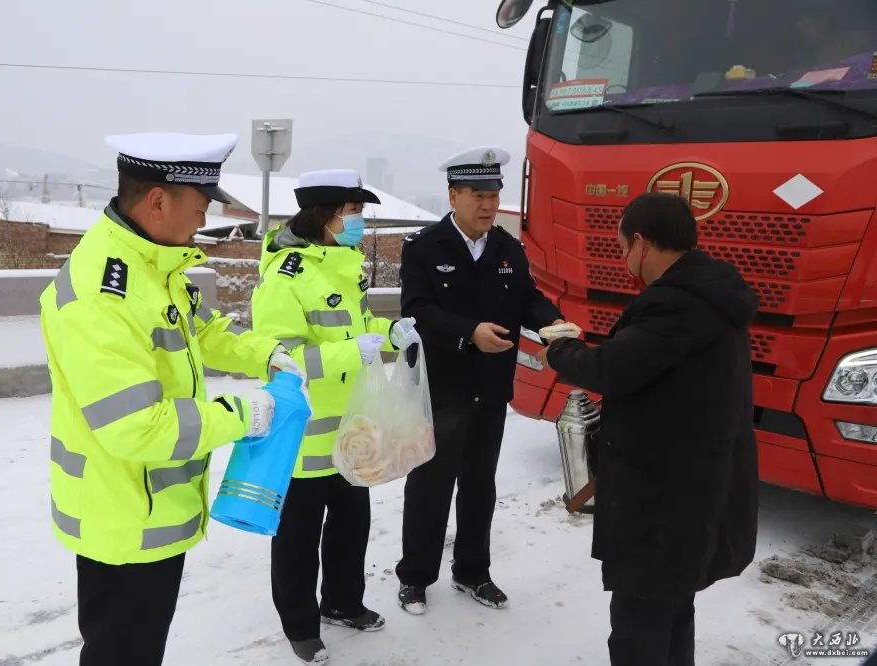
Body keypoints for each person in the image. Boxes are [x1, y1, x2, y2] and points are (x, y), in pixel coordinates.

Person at [39, 131, 303, 666]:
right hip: (123, 515)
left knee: (138, 649)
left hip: (151, 509)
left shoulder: (154, 267)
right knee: (122, 653)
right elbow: (138, 426)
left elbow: (204, 333)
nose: (203, 222)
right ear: (158, 201)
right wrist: (243, 414)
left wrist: (266, 354)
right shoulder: (102, 293)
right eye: (200, 207)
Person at [543, 192, 760, 666]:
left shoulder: (677, 305)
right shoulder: (712, 293)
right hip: (693, 485)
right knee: (675, 608)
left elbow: (615, 370)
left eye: (623, 248)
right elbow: (646, 363)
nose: (625, 260)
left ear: (641, 242)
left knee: (639, 625)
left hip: (663, 497)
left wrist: (560, 351)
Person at [251, 168, 422, 665]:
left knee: (352, 527)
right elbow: (279, 357)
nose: (359, 223)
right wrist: (354, 351)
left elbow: (356, 323)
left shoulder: (343, 264)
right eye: (353, 213)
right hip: (304, 434)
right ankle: (300, 626)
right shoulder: (286, 275)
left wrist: (389, 332)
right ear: (325, 216)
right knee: (298, 539)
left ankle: (344, 603)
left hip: (350, 427)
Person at [395, 146, 564, 615]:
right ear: (453, 196)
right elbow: (417, 312)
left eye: (493, 194)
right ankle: (415, 577)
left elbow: (528, 298)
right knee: (430, 484)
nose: (488, 204)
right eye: (477, 194)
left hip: (490, 388)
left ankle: (473, 572)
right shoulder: (424, 247)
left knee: (479, 484)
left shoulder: (508, 248)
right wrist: (469, 333)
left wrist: (552, 323)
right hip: (443, 388)